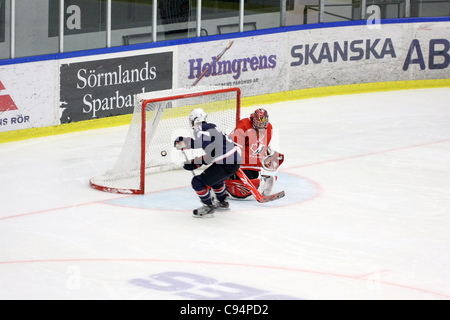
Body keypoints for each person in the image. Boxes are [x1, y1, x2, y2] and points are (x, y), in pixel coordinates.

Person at [174, 108, 241, 217]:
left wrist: (185, 143)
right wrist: (196, 162)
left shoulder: (199, 128)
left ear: (193, 120)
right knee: (215, 180)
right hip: (234, 161)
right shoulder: (212, 127)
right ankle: (222, 202)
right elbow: (214, 152)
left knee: (197, 182)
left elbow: (204, 141)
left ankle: (208, 207)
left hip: (225, 163)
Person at [226, 108, 284, 199]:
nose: (262, 125)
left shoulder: (269, 127)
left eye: (264, 122)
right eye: (259, 122)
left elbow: (263, 146)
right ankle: (221, 183)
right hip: (238, 161)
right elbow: (234, 145)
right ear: (254, 119)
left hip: (252, 162)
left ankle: (264, 179)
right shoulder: (244, 124)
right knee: (238, 191)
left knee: (254, 175)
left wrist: (267, 155)